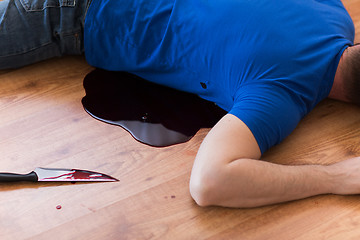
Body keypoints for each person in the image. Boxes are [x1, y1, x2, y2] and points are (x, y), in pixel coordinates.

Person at [1, 0, 360, 208]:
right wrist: (335, 177)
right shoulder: (284, 90)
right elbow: (209, 182)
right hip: (68, 11)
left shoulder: (332, 12)